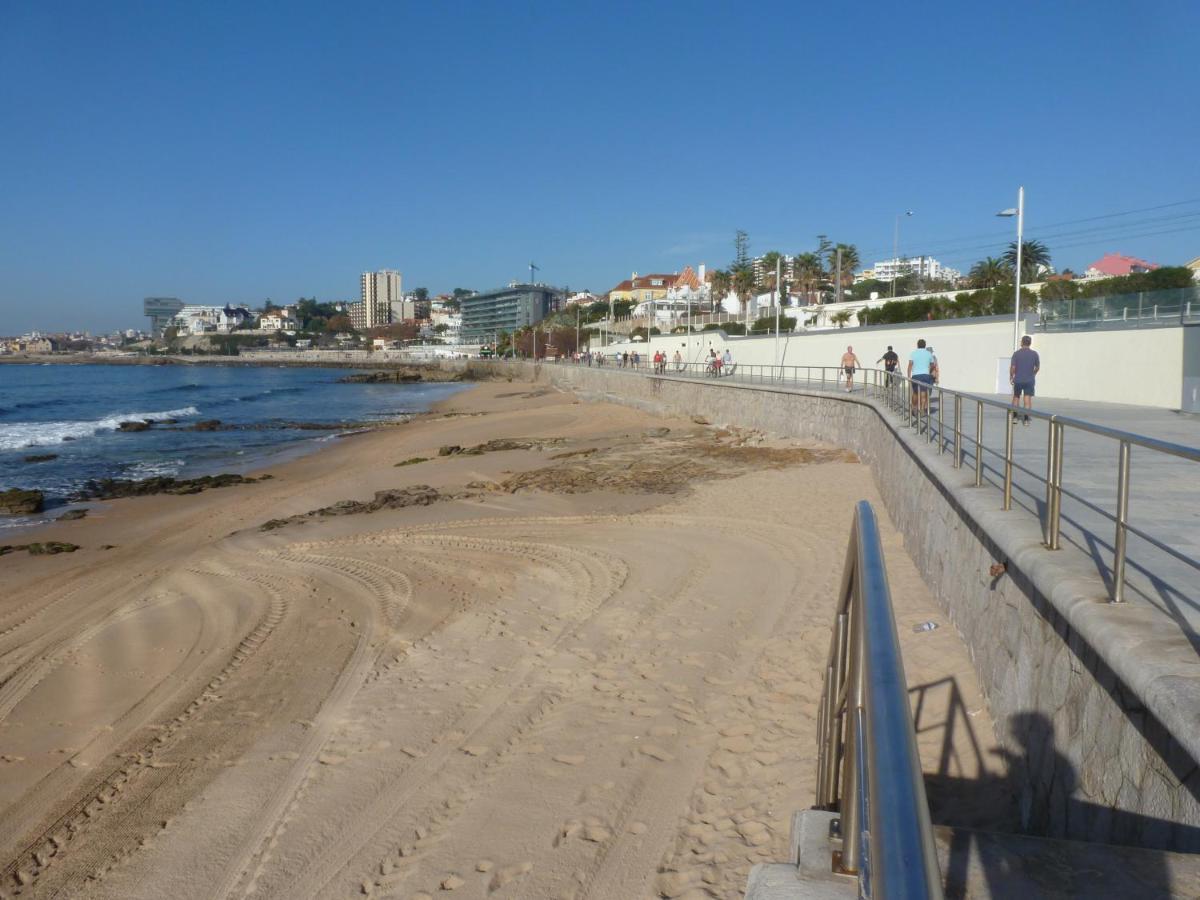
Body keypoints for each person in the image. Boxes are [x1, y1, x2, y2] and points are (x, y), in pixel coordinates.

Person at [1010, 335, 1041, 425]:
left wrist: (1011, 376)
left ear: (1022, 342)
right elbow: (1037, 367)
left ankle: (1015, 418)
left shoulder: (1016, 354)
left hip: (1018, 379)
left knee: (1016, 397)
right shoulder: (1034, 354)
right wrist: (1033, 374)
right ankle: (1026, 419)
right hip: (1029, 380)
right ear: (1030, 343)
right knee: (1027, 399)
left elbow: (1013, 367)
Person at [907, 338, 936, 415]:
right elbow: (933, 365)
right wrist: (929, 370)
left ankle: (913, 408)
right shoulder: (928, 354)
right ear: (925, 345)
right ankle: (922, 409)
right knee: (923, 392)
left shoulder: (913, 353)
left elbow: (910, 365)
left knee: (915, 393)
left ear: (917, 345)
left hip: (915, 375)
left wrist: (909, 376)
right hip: (925, 375)